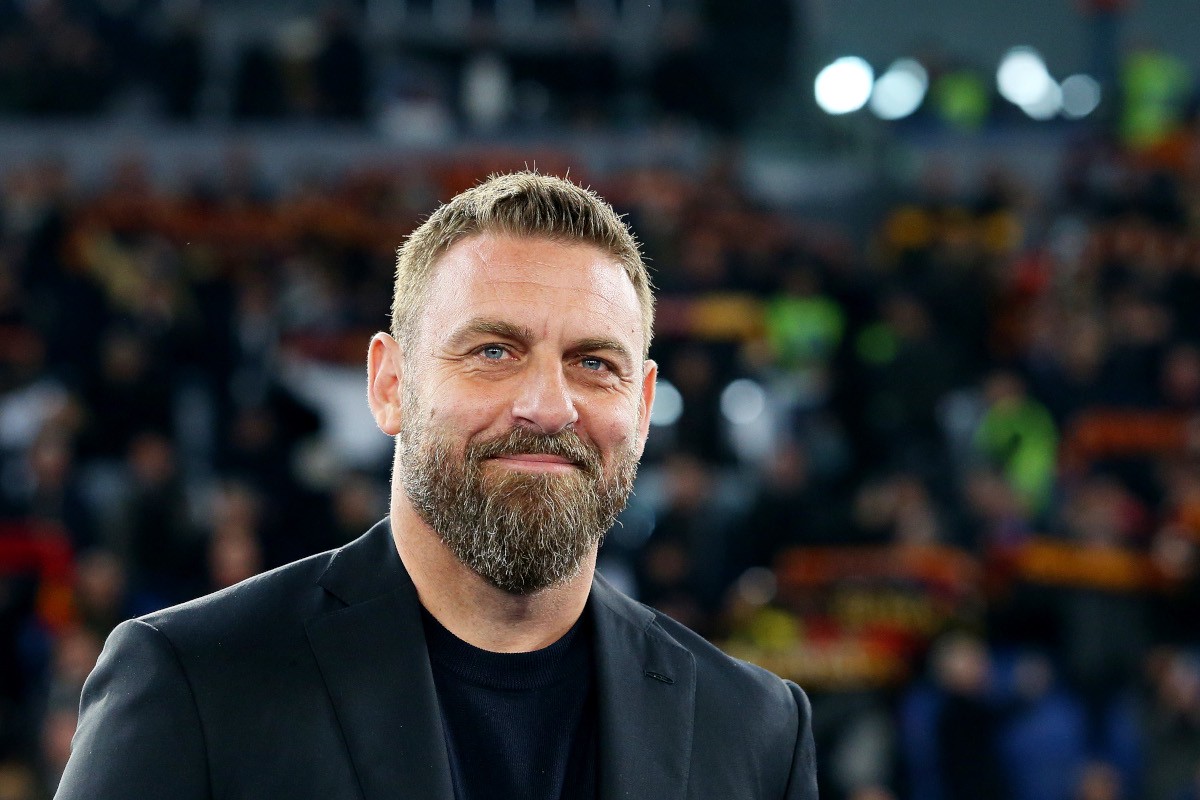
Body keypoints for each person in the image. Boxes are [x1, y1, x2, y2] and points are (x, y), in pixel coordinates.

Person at [55, 172, 818, 799]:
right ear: (389, 385)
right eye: (493, 351)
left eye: (594, 363)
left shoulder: (754, 729)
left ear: (643, 408)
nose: (548, 407)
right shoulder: (195, 681)